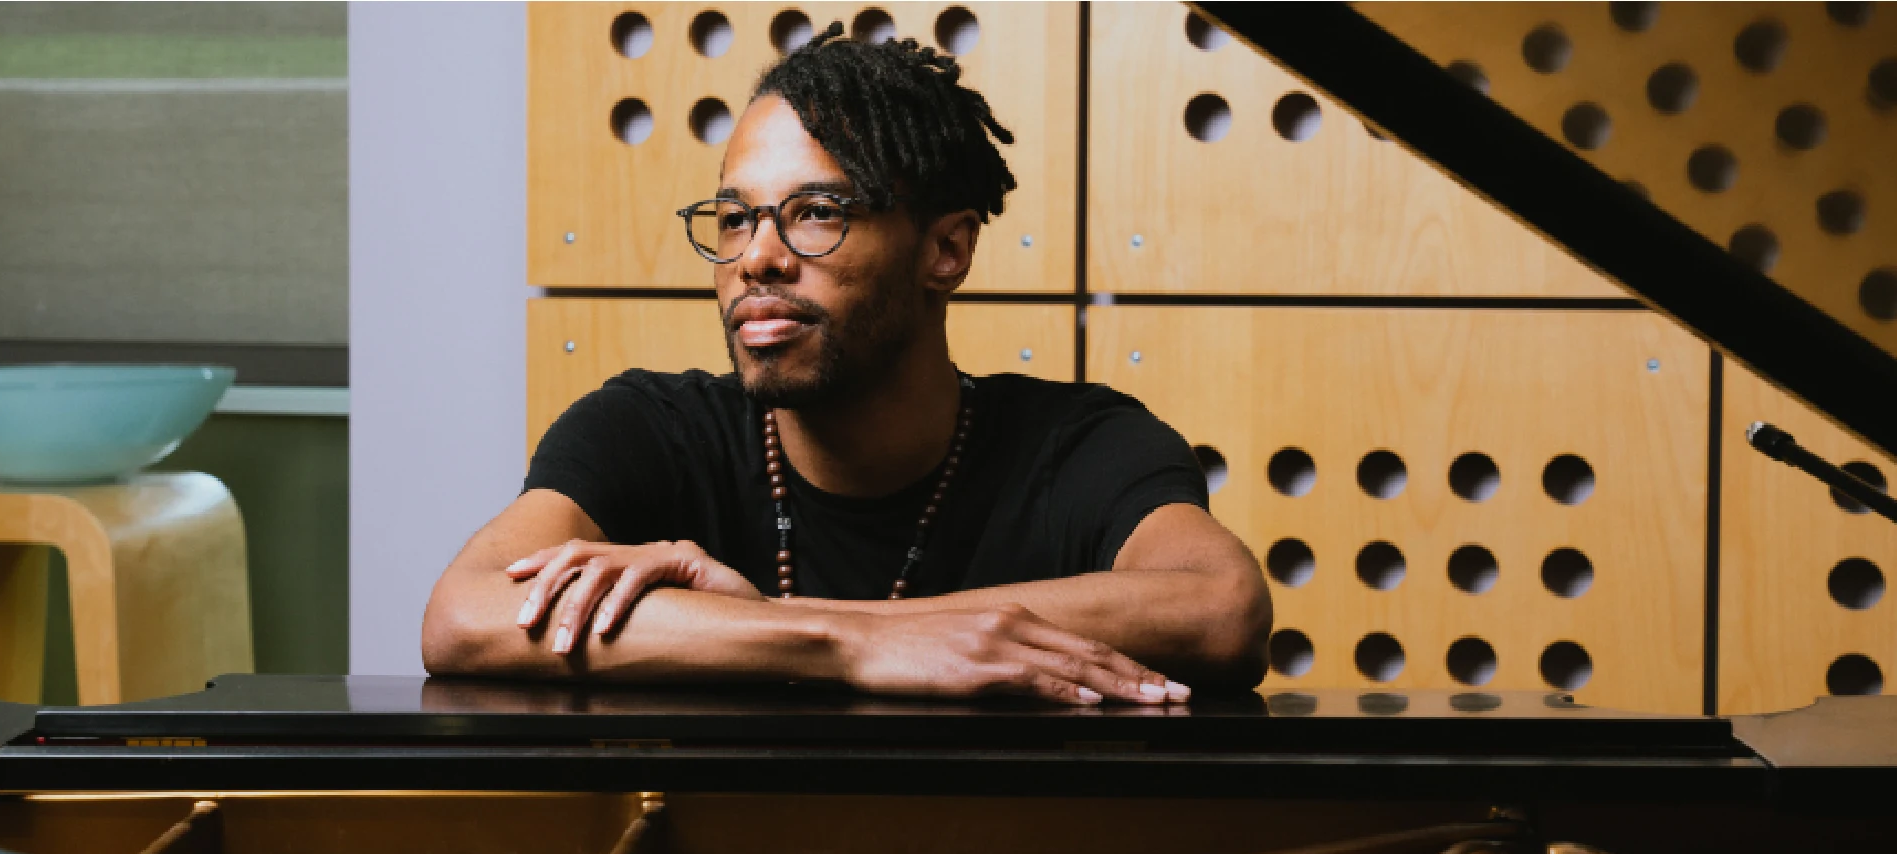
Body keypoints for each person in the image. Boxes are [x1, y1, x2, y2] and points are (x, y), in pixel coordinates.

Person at [422, 23, 1270, 705]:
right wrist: (852, 643)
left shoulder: (1081, 444)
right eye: (734, 219)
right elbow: (466, 615)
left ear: (946, 248)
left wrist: (767, 621)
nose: (756, 258)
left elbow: (1218, 607)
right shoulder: (650, 429)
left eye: (816, 212)